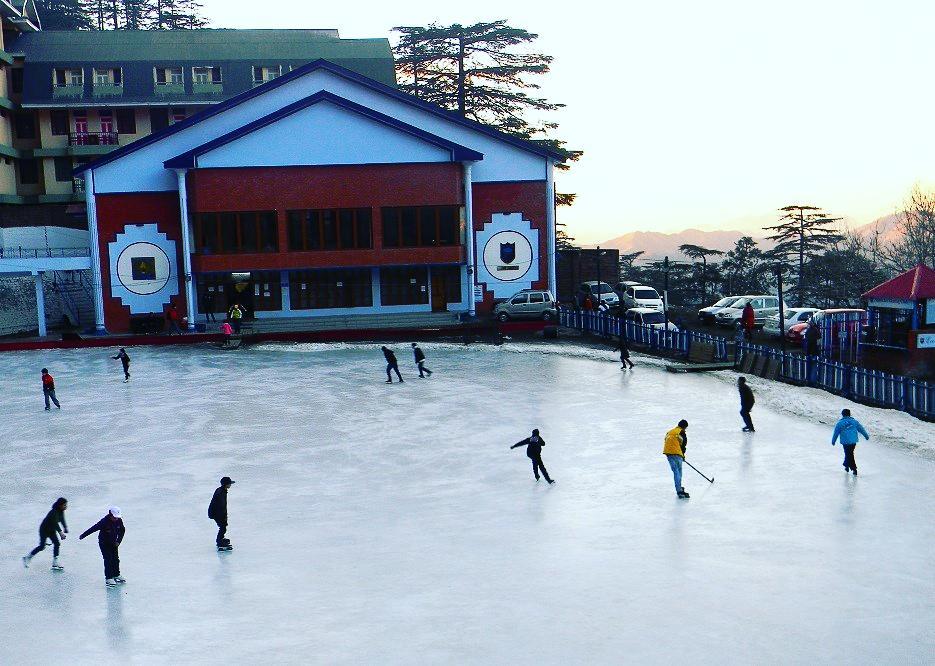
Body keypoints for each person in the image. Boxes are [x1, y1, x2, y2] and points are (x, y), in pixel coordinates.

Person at [79, 507, 126, 587]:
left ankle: (116, 574)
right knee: (108, 559)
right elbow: (93, 528)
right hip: (104, 543)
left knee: (116, 559)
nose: (116, 519)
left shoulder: (119, 521)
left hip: (114, 543)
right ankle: (109, 578)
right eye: (115, 517)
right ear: (110, 515)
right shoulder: (104, 522)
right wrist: (83, 535)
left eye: (117, 517)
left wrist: (118, 541)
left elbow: (122, 531)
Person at [22, 498, 68, 571]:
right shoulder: (53, 512)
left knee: (57, 544)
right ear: (60, 505)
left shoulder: (61, 511)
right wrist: (61, 532)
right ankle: (27, 557)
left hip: (52, 530)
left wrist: (65, 527)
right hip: (44, 530)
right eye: (64, 505)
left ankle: (55, 563)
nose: (66, 506)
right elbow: (55, 523)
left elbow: (62, 519)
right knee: (42, 546)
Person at [831, 408, 870, 475]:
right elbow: (861, 429)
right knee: (849, 453)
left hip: (845, 442)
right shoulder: (854, 422)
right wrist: (866, 436)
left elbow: (836, 433)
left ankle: (853, 468)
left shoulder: (840, 423)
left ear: (842, 415)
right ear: (849, 414)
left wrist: (833, 441)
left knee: (849, 454)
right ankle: (846, 465)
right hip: (853, 441)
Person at [663, 420, 690, 498]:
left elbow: (667, 441)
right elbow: (683, 445)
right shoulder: (681, 432)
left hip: (668, 453)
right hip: (677, 454)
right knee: (679, 471)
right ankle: (679, 491)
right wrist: (682, 456)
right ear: (684, 427)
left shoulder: (669, 432)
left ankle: (679, 488)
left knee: (675, 471)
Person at [208, 477, 235, 550]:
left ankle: (220, 539)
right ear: (226, 484)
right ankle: (219, 542)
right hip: (216, 513)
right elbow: (220, 506)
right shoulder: (221, 493)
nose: (230, 485)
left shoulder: (221, 490)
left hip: (216, 512)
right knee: (223, 527)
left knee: (223, 527)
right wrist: (223, 517)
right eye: (229, 483)